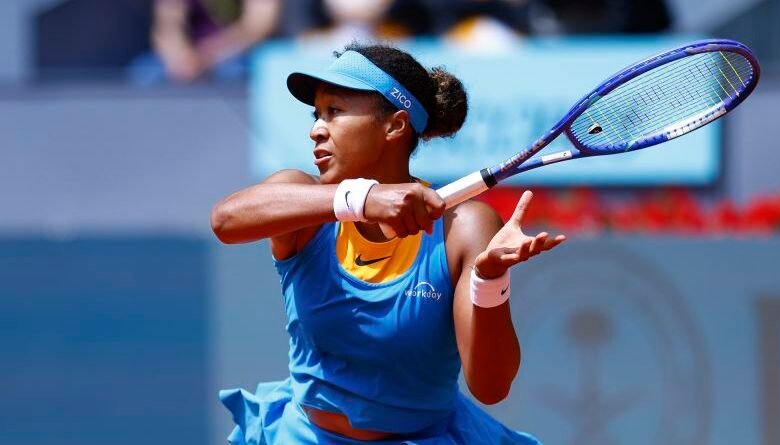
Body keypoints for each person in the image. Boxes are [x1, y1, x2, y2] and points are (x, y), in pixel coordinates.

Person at [211, 42, 566, 444]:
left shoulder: (464, 228)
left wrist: (489, 282)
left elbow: (491, 387)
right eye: (317, 114)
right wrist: (362, 199)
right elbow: (226, 220)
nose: (316, 129)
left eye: (334, 111)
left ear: (395, 126)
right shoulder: (303, 201)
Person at [143, 0, 281, 83]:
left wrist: (208, 57)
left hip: (241, 52)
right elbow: (169, 24)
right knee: (146, 73)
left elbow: (257, 26)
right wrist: (178, 57)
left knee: (234, 73)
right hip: (192, 56)